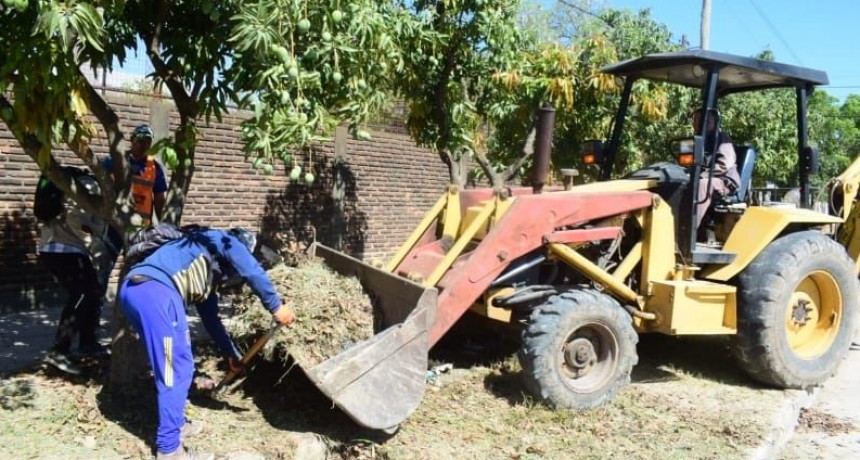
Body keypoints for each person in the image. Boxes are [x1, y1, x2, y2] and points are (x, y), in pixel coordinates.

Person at [118, 226, 296, 460]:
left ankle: (178, 424)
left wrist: (230, 354)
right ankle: (169, 449)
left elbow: (211, 320)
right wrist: (275, 305)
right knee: (176, 370)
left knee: (172, 366)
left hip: (135, 291)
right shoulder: (225, 239)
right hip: (157, 293)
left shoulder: (201, 263)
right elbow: (252, 271)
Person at [38, 173, 112, 375]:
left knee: (93, 291)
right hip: (64, 249)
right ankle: (59, 350)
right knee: (82, 294)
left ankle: (87, 342)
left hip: (60, 248)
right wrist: (94, 237)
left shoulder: (79, 184)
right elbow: (75, 218)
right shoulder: (88, 186)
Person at [105, 124, 168, 225]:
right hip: (117, 223)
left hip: (142, 225)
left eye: (148, 142)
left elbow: (159, 199)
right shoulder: (116, 160)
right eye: (140, 140)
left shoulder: (155, 167)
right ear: (132, 139)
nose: (144, 145)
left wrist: (163, 224)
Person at [692, 108, 741, 229]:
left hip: (723, 180)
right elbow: (685, 163)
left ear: (714, 122)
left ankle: (688, 232)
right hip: (701, 177)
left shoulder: (722, 138)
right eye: (695, 121)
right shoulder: (693, 141)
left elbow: (725, 163)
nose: (698, 124)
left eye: (703, 120)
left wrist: (702, 175)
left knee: (703, 185)